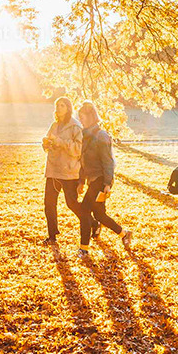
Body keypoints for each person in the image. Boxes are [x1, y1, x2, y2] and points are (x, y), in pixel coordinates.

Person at [77, 101, 132, 257]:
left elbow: (108, 161)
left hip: (100, 180)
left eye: (84, 117)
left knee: (84, 210)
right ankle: (124, 233)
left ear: (92, 117)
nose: (82, 120)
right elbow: (83, 161)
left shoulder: (101, 135)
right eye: (80, 117)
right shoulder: (84, 135)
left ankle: (84, 248)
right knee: (99, 215)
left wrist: (107, 183)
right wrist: (81, 181)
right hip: (91, 180)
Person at [42, 97, 84, 246]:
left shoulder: (75, 127)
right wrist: (46, 143)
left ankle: (91, 222)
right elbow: (49, 144)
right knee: (49, 203)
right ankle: (52, 235)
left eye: (62, 105)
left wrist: (59, 142)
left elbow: (78, 150)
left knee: (71, 203)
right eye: (57, 105)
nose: (59, 108)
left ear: (68, 108)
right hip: (53, 170)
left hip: (68, 172)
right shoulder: (54, 125)